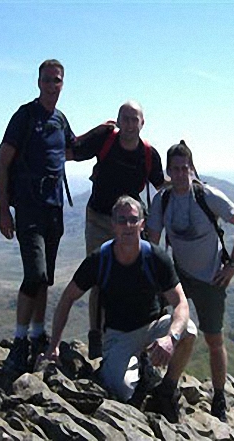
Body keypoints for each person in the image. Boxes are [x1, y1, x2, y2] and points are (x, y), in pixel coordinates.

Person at [43, 196, 197, 423]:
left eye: (133, 220)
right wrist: (54, 345)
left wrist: (170, 338)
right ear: (113, 224)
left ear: (142, 224)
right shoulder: (100, 259)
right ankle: (132, 367)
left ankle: (166, 389)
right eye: (121, 220)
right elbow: (67, 299)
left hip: (153, 326)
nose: (127, 226)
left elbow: (181, 304)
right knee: (122, 391)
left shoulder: (154, 257)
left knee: (189, 331)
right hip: (118, 335)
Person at [147, 141, 234, 423]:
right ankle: (161, 383)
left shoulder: (207, 196)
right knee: (156, 321)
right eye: (175, 169)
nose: (180, 174)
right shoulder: (163, 200)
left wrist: (232, 265)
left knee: (214, 339)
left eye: (185, 168)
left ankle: (219, 397)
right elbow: (153, 241)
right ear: (168, 171)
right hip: (178, 274)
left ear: (192, 169)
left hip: (210, 278)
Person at [0, 59, 76, 373]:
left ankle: (38, 334)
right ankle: (19, 340)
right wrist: (4, 211)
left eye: (57, 81)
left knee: (46, 278)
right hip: (28, 207)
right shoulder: (24, 116)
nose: (52, 85)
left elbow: (71, 149)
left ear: (62, 84)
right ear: (38, 82)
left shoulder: (60, 120)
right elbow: (2, 164)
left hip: (54, 209)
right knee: (35, 274)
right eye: (47, 80)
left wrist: (103, 131)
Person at [69, 101, 166, 359]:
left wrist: (189, 181)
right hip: (99, 219)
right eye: (126, 118)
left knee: (135, 277)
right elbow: (73, 150)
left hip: (129, 224)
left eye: (135, 119)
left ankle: (133, 335)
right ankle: (96, 337)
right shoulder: (105, 139)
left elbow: (161, 185)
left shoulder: (148, 154)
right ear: (117, 120)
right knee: (99, 277)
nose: (130, 124)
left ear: (142, 123)